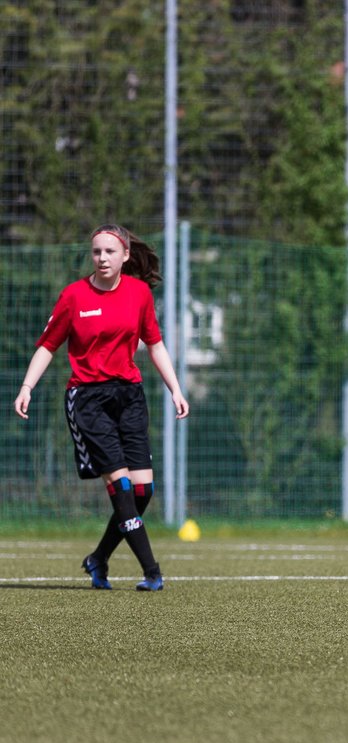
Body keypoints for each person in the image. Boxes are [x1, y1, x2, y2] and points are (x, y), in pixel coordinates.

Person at [13, 224, 189, 591]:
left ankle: (98, 559)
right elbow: (48, 346)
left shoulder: (139, 294)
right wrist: (27, 386)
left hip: (129, 396)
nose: (102, 258)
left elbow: (154, 345)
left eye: (110, 252)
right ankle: (152, 572)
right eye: (97, 252)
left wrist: (175, 389)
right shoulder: (74, 296)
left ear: (125, 255)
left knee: (143, 491)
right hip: (88, 399)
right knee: (121, 485)